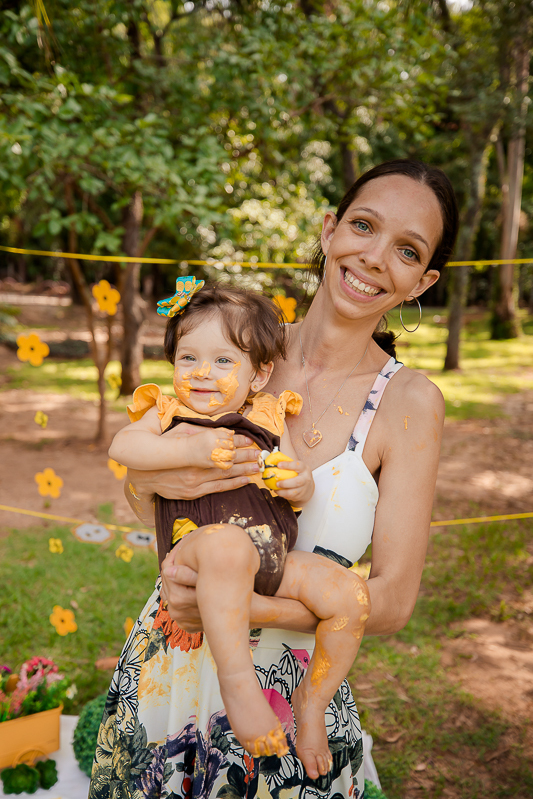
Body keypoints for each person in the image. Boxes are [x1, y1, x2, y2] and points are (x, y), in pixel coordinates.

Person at [89, 159, 459, 799]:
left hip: (288, 703)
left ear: (422, 280)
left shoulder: (409, 404)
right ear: (328, 229)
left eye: (405, 249)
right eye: (363, 226)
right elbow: (143, 492)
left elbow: (393, 600)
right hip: (168, 669)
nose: (373, 257)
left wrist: (235, 605)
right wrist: (147, 484)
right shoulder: (230, 352)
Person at [107, 283, 370, 776]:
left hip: (271, 560)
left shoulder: (269, 414)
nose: (202, 373)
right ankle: (239, 686)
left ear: (260, 373)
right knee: (227, 546)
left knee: (350, 595)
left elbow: (295, 479)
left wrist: (297, 483)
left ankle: (312, 703)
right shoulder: (165, 413)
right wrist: (186, 450)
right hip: (200, 557)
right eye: (189, 357)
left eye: (224, 361)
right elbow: (124, 448)